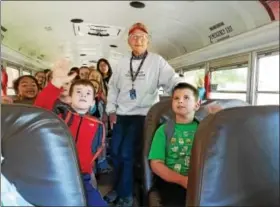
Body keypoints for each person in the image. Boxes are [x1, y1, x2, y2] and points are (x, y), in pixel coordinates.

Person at [104, 22, 184, 206]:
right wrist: (111, 110)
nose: (138, 39)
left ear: (148, 41)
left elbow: (171, 80)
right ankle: (117, 188)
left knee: (126, 154)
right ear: (128, 41)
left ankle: (126, 195)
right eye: (134, 37)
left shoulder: (157, 61)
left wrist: (183, 89)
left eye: (142, 37)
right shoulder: (122, 62)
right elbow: (113, 88)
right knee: (114, 152)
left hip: (144, 115)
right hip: (122, 114)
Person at [34, 59, 108, 207]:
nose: (83, 95)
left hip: (82, 176)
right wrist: (55, 84)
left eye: (88, 93)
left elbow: (95, 150)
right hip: (56, 173)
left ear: (93, 101)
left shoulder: (98, 125)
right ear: (70, 98)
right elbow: (39, 112)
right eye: (78, 92)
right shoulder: (60, 116)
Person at [148, 82, 222, 206]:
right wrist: (182, 180)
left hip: (201, 180)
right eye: (176, 98)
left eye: (186, 98)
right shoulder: (164, 130)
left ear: (197, 104)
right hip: (171, 181)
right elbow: (156, 164)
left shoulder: (204, 129)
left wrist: (217, 117)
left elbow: (218, 150)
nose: (180, 101)